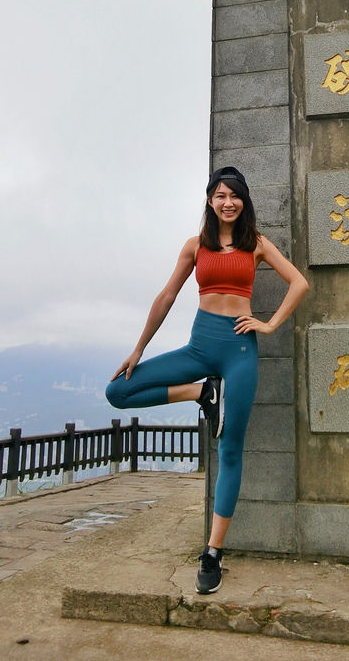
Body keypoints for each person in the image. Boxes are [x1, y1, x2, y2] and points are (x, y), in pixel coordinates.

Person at [105, 166, 309, 594]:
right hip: (198, 348)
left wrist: (268, 325)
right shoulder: (195, 246)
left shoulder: (256, 245)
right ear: (210, 201)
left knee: (230, 449)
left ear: (243, 201)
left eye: (233, 195)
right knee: (118, 391)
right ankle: (202, 392)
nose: (227, 202)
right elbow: (166, 296)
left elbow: (299, 282)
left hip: (238, 352)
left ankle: (213, 553)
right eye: (219, 195)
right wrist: (139, 347)